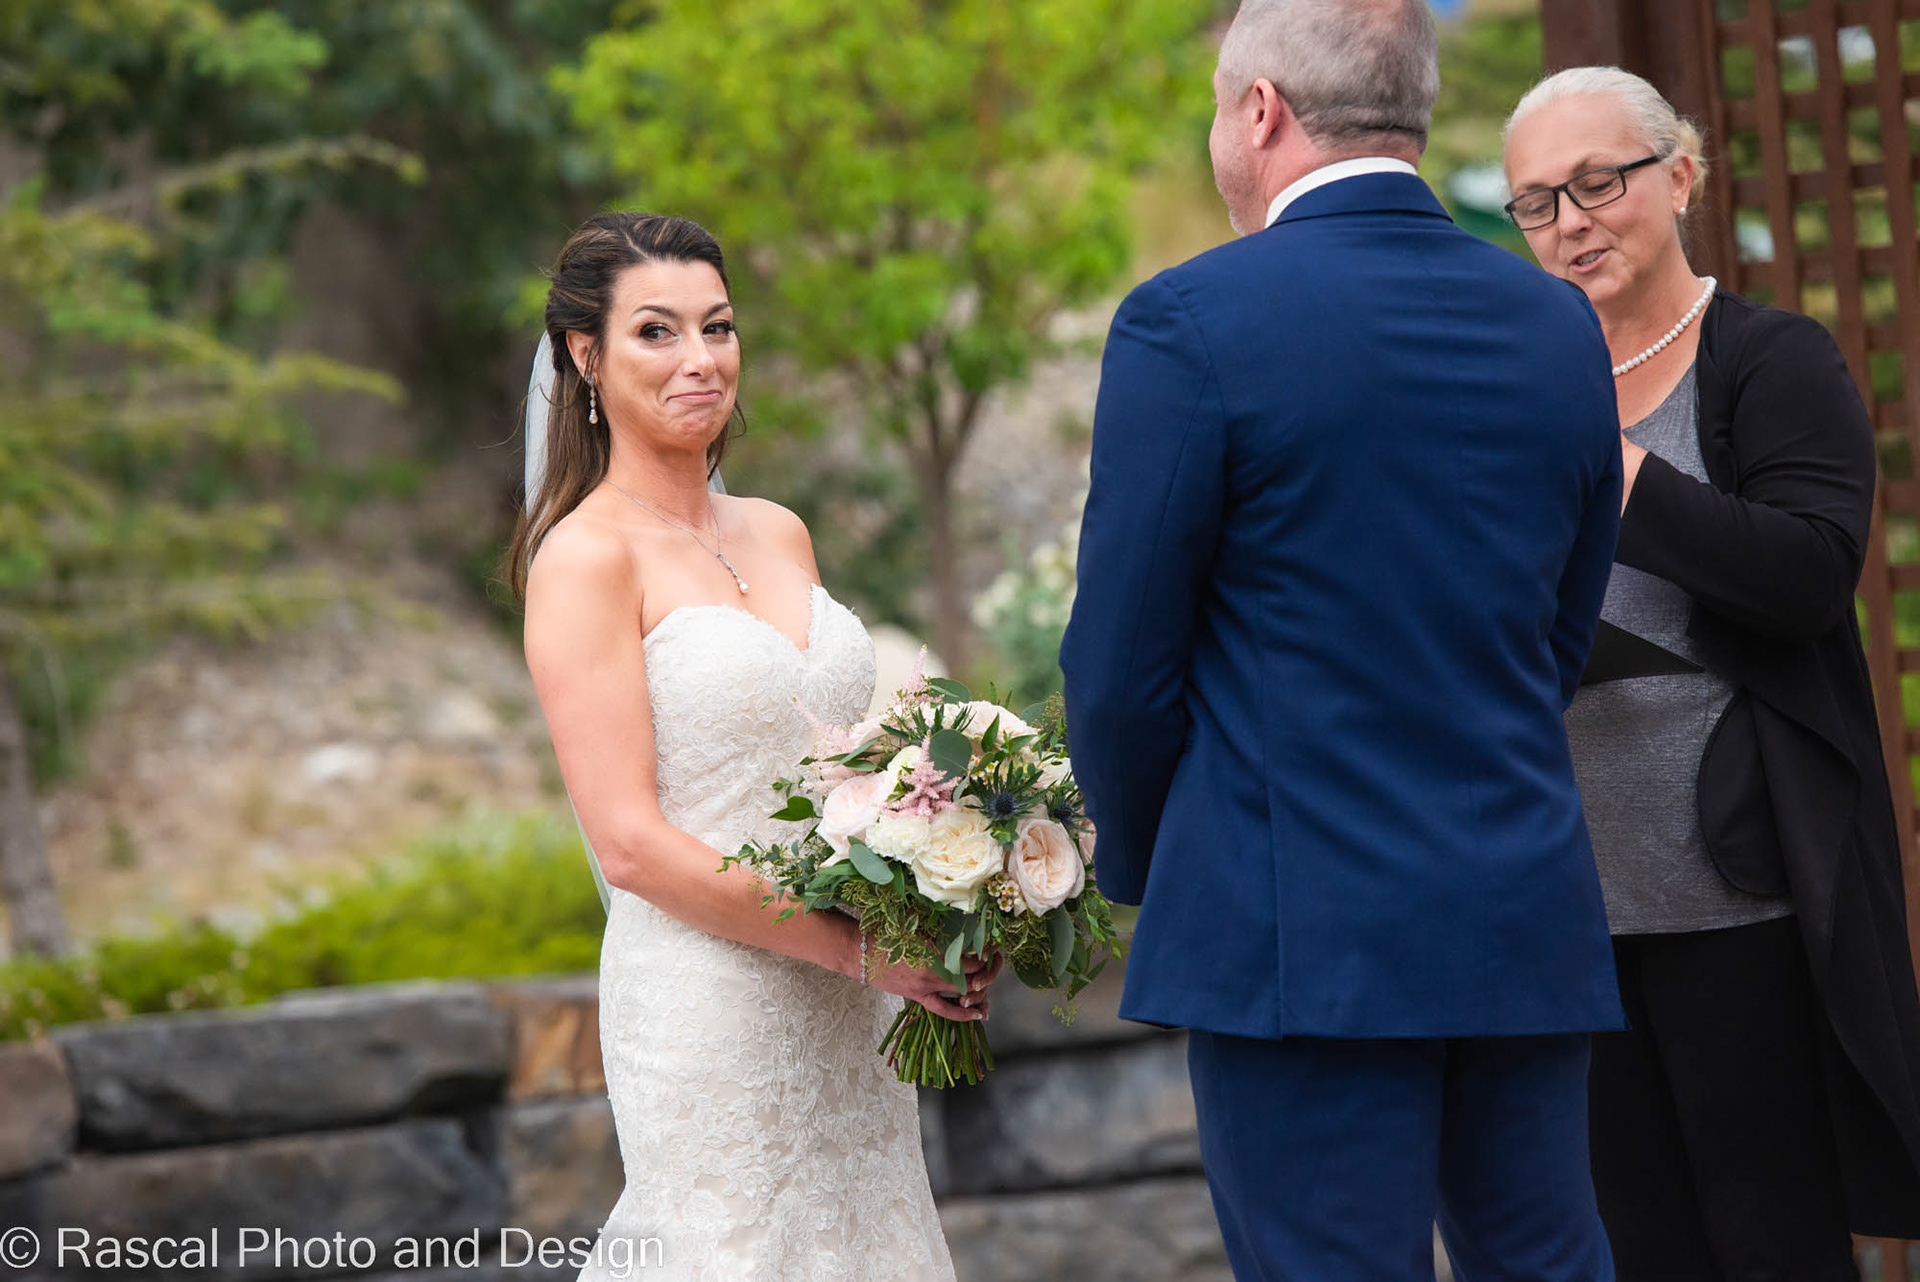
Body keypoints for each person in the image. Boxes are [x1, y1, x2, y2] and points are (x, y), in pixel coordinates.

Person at [1060, 2, 1624, 1277]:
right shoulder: (1555, 324)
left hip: (1289, 929)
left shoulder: (1189, 321)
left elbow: (1118, 668)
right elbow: (1559, 631)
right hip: (1516, 907)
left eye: (1219, 104)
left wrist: (1163, 858)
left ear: (1262, 110)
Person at [510, 212, 990, 1281]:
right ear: (586, 356)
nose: (699, 359)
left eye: (718, 327)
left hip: (854, 1011)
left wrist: (956, 876)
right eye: (657, 332)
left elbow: (840, 769)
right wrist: (860, 947)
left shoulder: (779, 531)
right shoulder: (583, 561)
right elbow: (629, 844)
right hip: (712, 1005)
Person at [1503, 66, 1920, 1278]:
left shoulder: (1774, 361)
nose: (1570, 221)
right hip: (1565, 910)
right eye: (1537, 203)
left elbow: (1806, 575)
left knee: (1772, 1243)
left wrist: (1620, 476)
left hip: (1737, 897)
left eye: (1596, 182)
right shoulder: (1522, 384)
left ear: (1679, 175)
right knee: (1632, 1252)